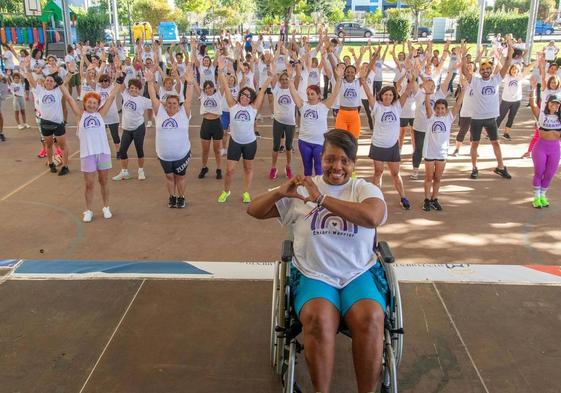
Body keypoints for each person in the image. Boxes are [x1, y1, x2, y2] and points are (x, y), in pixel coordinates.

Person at [247, 129, 388, 393]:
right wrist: (279, 192)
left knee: (371, 317)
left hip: (357, 273)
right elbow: (253, 210)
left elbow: (372, 217)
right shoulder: (303, 189)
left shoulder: (363, 189)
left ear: (353, 164)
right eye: (331, 158)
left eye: (344, 160)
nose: (337, 166)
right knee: (317, 319)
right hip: (315, 274)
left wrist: (322, 199)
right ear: (321, 158)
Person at [59, 65, 122, 222]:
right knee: (89, 184)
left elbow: (112, 96)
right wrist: (60, 82)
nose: (92, 105)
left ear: (97, 104)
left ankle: (106, 207)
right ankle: (88, 210)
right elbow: (68, 98)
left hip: (103, 152)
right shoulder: (80, 115)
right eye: (89, 102)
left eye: (95, 103)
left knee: (104, 181)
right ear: (85, 103)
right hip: (87, 154)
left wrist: (120, 79)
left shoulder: (101, 114)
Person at [216, 56, 271, 204]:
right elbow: (226, 87)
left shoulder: (253, 108)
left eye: (248, 95)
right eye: (243, 94)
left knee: (248, 168)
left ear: (251, 98)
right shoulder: (233, 105)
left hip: (250, 143)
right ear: (239, 96)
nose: (245, 97)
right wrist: (221, 71)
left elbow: (263, 89)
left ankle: (246, 192)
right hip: (235, 142)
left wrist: (270, 77)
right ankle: (226, 191)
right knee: (229, 170)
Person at [362, 69, 414, 210]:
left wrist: (412, 77)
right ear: (381, 95)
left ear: (393, 96)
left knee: (395, 173)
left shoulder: (397, 106)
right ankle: (376, 198)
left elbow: (408, 90)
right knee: (378, 173)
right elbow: (368, 93)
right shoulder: (376, 107)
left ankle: (403, 197)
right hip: (378, 145)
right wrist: (363, 81)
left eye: (391, 95)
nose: (388, 97)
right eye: (386, 94)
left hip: (392, 146)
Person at [462, 37, 513, 180]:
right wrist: (464, 57)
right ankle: (474, 168)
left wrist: (509, 47)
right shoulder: (475, 81)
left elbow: (507, 63)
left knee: (495, 142)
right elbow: (464, 71)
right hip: (477, 118)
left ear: (491, 70)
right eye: (483, 69)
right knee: (475, 143)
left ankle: (501, 167)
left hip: (491, 118)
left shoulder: (496, 79)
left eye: (487, 69)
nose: (485, 71)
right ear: (480, 71)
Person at [145, 67, 194, 208]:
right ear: (165, 104)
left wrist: (189, 84)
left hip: (181, 154)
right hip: (164, 155)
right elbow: (153, 97)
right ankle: (172, 197)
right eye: (169, 103)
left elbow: (189, 99)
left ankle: (181, 197)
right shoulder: (159, 112)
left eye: (175, 103)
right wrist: (149, 82)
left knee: (180, 177)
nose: (172, 105)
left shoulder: (184, 112)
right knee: (169, 177)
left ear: (179, 105)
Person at [287, 64, 342, 176]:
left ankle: (319, 189)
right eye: (308, 94)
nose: (309, 96)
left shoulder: (324, 106)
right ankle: (308, 189)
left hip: (319, 143)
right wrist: (290, 78)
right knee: (307, 168)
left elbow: (335, 92)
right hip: (304, 142)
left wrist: (339, 77)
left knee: (319, 167)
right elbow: (293, 91)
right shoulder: (303, 105)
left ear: (318, 95)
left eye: (312, 94)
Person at [422, 79, 466, 211]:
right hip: (430, 152)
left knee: (438, 178)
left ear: (446, 110)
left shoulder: (449, 118)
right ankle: (427, 200)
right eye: (438, 108)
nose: (440, 110)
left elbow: (458, 105)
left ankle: (435, 198)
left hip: (442, 153)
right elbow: (427, 107)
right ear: (435, 109)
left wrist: (463, 91)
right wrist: (428, 93)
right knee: (429, 177)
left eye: (442, 108)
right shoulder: (431, 117)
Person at [22, 58, 70, 176]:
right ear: (44, 82)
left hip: (58, 123)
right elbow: (30, 78)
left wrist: (66, 72)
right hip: (45, 123)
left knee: (62, 145)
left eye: (51, 81)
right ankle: (50, 163)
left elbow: (66, 80)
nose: (48, 82)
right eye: (47, 80)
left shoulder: (58, 91)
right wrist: (27, 67)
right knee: (48, 145)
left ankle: (65, 166)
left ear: (54, 83)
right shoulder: (39, 91)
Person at [528, 83, 560, 208]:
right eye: (552, 103)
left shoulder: (560, 118)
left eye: (557, 104)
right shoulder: (542, 115)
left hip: (555, 149)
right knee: (539, 172)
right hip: (541, 148)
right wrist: (532, 89)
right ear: (547, 104)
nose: (555, 106)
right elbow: (533, 104)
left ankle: (542, 196)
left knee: (550, 173)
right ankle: (536, 198)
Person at [113, 78, 152, 181]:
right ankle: (124, 172)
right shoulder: (125, 95)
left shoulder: (143, 100)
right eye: (131, 88)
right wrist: (119, 73)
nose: (133, 90)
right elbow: (120, 83)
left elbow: (157, 104)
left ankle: (141, 171)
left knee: (139, 149)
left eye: (135, 88)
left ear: (139, 89)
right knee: (122, 151)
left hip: (138, 128)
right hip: (126, 129)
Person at [193, 80, 224, 180]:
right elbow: (195, 84)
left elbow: (223, 84)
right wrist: (191, 76)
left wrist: (222, 70)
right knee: (205, 150)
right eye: (206, 88)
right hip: (206, 124)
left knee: (217, 150)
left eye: (209, 88)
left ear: (213, 88)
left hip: (216, 124)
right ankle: (204, 167)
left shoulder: (218, 95)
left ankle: (219, 169)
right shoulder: (202, 96)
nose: (208, 90)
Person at [496, 63, 531, 140]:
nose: (514, 70)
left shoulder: (520, 77)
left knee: (511, 117)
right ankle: (493, 132)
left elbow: (527, 69)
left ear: (518, 71)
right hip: (506, 100)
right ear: (510, 70)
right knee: (500, 116)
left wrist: (538, 60)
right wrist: (497, 57)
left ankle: (506, 133)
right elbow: (501, 66)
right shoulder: (507, 77)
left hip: (516, 101)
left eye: (516, 69)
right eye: (513, 69)